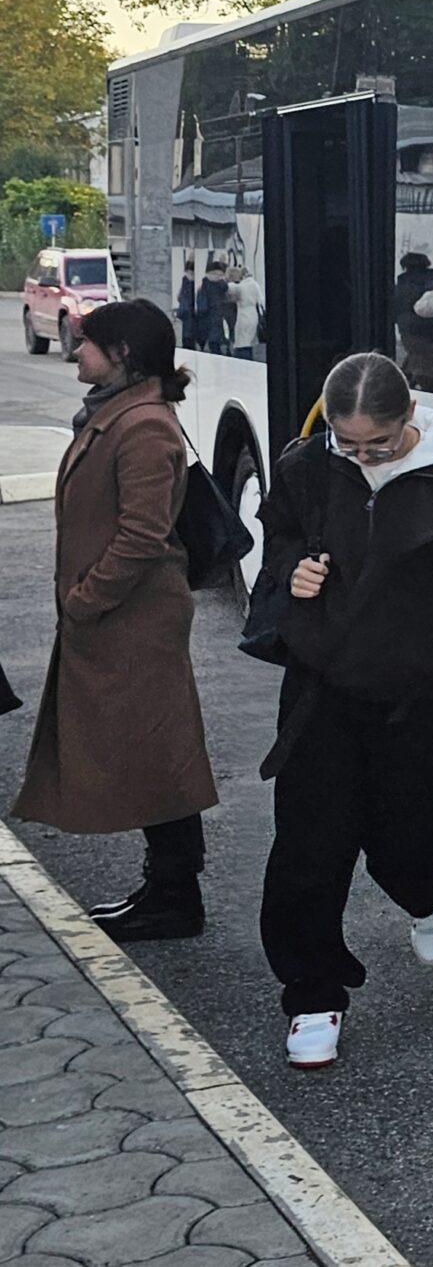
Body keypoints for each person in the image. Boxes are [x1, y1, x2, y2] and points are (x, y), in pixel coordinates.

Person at [248, 352, 433, 1069]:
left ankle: (429, 894)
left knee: (407, 831)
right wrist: (292, 569)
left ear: (410, 417)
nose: (363, 456)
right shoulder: (307, 466)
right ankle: (312, 993)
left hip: (413, 692)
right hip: (320, 685)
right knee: (309, 841)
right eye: (349, 443)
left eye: (379, 443)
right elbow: (277, 534)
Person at [12, 301, 218, 941]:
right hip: (120, 619)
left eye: (87, 342)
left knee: (160, 757)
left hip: (134, 620)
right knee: (151, 755)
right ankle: (166, 889)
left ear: (122, 353)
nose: (77, 352)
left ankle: (175, 896)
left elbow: (142, 534)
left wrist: (86, 598)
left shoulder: (143, 426)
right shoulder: (119, 414)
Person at [392, 253, 433, 392]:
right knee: (425, 364)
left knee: (425, 372)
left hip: (410, 332)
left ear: (405, 266)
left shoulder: (401, 285)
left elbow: (393, 310)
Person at [229, 258, 264, 361]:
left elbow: (229, 288)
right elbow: (261, 301)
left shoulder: (241, 286)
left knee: (242, 341)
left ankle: (243, 359)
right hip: (253, 315)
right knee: (250, 340)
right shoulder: (255, 285)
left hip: (243, 314)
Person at [196, 261, 232, 355]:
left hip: (204, 315)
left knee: (207, 339)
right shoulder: (221, 284)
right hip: (216, 314)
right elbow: (227, 292)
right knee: (215, 341)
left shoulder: (204, 283)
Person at [176, 259, 200, 351]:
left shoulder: (185, 281)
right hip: (190, 314)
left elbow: (179, 297)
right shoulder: (191, 283)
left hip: (185, 314)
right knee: (190, 338)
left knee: (186, 338)